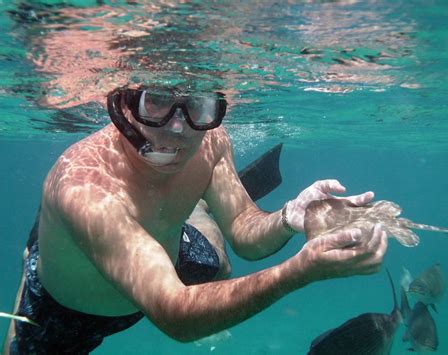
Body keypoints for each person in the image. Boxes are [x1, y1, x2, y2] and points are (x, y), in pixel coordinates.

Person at [2, 85, 387, 354]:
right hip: (65, 313)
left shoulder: (211, 141)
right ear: (121, 104)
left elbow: (244, 231)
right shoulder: (84, 187)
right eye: (157, 102)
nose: (178, 127)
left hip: (161, 263)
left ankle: (196, 210)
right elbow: (177, 316)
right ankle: (38, 247)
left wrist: (288, 216)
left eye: (198, 105)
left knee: (219, 262)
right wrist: (299, 270)